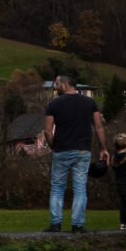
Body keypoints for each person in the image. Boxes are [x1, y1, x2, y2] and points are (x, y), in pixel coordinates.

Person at [43, 73, 109, 232]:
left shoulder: (54, 104)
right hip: (82, 150)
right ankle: (77, 225)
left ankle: (56, 224)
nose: (55, 87)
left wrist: (52, 146)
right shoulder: (90, 102)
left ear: (65, 85)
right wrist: (103, 148)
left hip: (61, 150)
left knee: (57, 188)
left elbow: (47, 131)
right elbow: (99, 127)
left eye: (57, 84)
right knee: (80, 188)